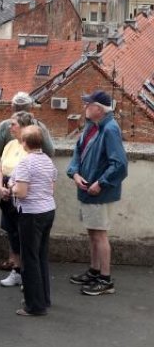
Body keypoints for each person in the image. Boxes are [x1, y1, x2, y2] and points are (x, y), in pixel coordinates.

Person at [67, 90, 128, 296]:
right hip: (87, 189)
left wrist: (100, 183)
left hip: (99, 192)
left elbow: (119, 164)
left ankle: (105, 279)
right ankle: (94, 271)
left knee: (100, 234)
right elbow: (78, 152)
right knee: (92, 232)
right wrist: (74, 173)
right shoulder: (91, 127)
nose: (85, 107)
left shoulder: (110, 129)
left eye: (88, 104)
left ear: (99, 109)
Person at [10, 125, 57, 316]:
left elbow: (22, 192)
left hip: (31, 213)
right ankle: (43, 297)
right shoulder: (47, 161)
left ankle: (34, 305)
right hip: (48, 210)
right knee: (41, 255)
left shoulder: (25, 163)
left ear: (24, 143)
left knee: (29, 258)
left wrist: (11, 186)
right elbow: (51, 188)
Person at [0, 111, 35, 287]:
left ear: (24, 127)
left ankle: (28, 274)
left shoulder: (29, 147)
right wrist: (0, 187)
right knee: (12, 232)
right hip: (7, 192)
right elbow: (0, 169)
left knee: (24, 234)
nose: (9, 127)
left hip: (21, 194)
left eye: (13, 124)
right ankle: (17, 270)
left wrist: (11, 189)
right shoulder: (10, 145)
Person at [0, 91, 55, 159]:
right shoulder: (40, 126)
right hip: (34, 167)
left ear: (12, 107)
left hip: (10, 166)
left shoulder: (5, 125)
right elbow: (50, 152)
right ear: (30, 107)